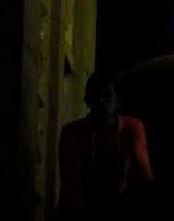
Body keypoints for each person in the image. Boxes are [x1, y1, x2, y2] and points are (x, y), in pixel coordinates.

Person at [56, 73, 154, 220]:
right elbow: (72, 184)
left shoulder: (131, 126)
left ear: (118, 101)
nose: (101, 101)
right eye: (95, 95)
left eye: (107, 95)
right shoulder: (72, 132)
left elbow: (141, 164)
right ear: (87, 101)